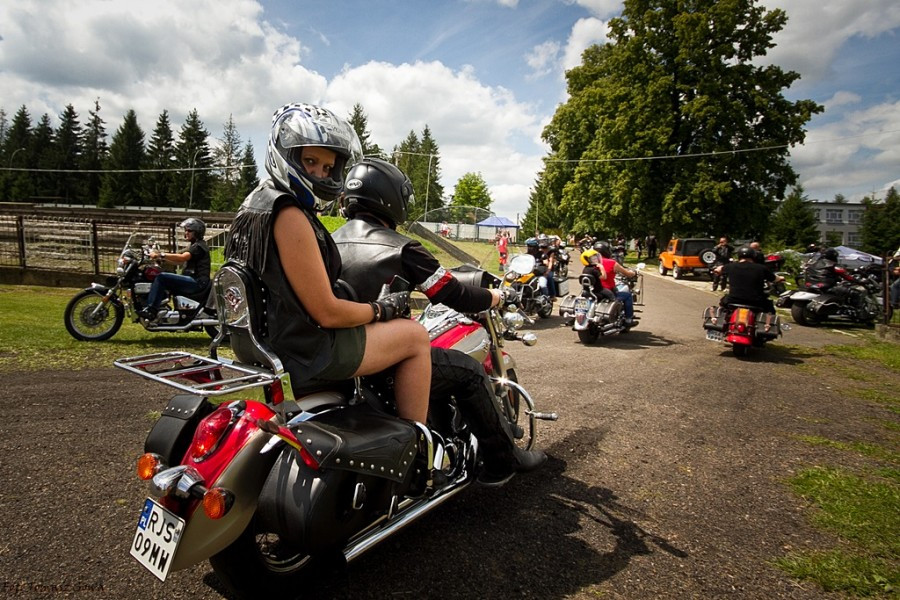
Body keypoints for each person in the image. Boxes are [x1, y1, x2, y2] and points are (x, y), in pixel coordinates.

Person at [331, 157, 546, 485]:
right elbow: (453, 294)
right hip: (386, 359)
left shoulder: (329, 242)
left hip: (342, 354)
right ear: (391, 199)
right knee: (470, 372)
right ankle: (503, 461)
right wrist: (496, 297)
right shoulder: (402, 248)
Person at [223, 103, 431, 425]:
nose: (319, 174)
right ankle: (418, 444)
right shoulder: (289, 215)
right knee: (415, 336)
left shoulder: (254, 204)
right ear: (286, 155)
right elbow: (327, 312)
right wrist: (383, 309)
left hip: (265, 341)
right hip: (307, 349)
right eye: (310, 161)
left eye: (327, 167)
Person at [139, 217, 211, 321]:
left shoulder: (199, 246)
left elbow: (182, 257)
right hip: (194, 280)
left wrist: (161, 254)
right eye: (185, 230)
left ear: (197, 232)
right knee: (164, 275)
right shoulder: (194, 245)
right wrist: (162, 260)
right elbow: (179, 261)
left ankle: (151, 310)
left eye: (189, 230)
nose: (186, 233)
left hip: (197, 282)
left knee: (161, 278)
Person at [715, 245, 783, 313]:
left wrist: (717, 270)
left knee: (722, 306)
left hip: (733, 300)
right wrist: (780, 278)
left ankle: (721, 320)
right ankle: (767, 324)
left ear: (739, 256)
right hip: (756, 302)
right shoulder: (761, 268)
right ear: (753, 256)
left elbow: (719, 269)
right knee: (770, 309)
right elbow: (775, 279)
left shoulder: (731, 266)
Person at [591, 241, 639, 326]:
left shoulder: (591, 263)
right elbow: (627, 273)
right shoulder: (612, 263)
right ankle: (628, 319)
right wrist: (634, 273)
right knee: (627, 295)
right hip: (608, 292)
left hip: (594, 291)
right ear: (607, 251)